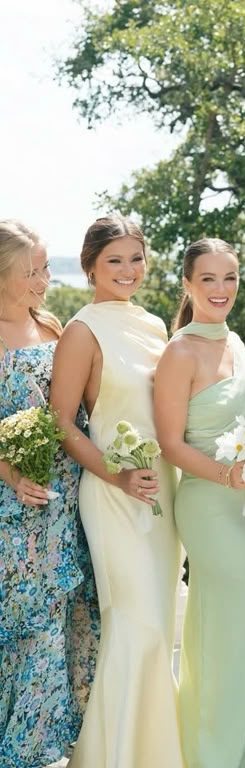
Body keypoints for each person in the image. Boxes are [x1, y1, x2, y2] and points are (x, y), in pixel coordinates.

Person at [51, 215, 184, 768]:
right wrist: (118, 475)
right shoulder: (82, 330)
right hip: (112, 495)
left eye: (136, 258)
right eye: (115, 261)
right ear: (89, 268)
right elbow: (62, 423)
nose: (129, 270)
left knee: (160, 625)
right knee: (140, 627)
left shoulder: (155, 325)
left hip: (164, 495)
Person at [154, 237, 245, 768]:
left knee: (237, 633)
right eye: (208, 279)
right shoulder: (179, 352)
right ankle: (216, 756)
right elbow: (171, 443)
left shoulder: (236, 344)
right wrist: (228, 475)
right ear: (188, 284)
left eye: (229, 277)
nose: (221, 289)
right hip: (207, 503)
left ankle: (230, 753)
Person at [0, 220, 98, 768]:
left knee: (63, 626)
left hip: (67, 508)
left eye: (44, 267)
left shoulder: (55, 327)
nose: (44, 279)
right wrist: (11, 473)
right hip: (12, 514)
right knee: (27, 635)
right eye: (32, 271)